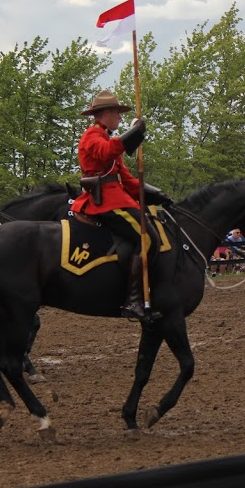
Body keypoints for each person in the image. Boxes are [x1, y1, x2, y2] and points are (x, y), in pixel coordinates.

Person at [69, 89, 172, 321]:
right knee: (146, 238)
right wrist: (133, 133)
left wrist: (156, 194)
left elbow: (126, 180)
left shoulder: (106, 138)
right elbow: (107, 151)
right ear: (105, 113)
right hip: (104, 202)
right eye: (117, 113)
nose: (120, 118)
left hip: (116, 197)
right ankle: (133, 300)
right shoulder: (92, 136)